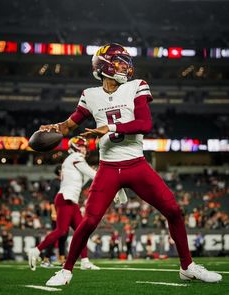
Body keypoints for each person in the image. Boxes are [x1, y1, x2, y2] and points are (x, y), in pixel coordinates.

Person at [38, 43, 222, 285]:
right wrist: (55, 128)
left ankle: (187, 266)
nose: (125, 66)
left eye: (125, 61)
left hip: (136, 165)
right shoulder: (90, 95)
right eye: (118, 62)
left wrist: (109, 127)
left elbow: (145, 124)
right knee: (90, 221)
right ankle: (66, 270)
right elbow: (69, 125)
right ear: (103, 66)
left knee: (174, 211)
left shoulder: (137, 86)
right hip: (109, 168)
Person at [28, 136, 100, 271]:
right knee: (61, 231)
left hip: (71, 200)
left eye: (84, 146)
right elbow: (93, 175)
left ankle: (85, 261)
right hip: (65, 199)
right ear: (75, 146)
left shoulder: (73, 160)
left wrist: (95, 173)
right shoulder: (74, 157)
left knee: (82, 231)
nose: (84, 149)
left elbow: (82, 181)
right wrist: (103, 174)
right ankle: (36, 251)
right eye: (82, 146)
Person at [41, 165, 68, 267]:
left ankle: (62, 259)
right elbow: (51, 198)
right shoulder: (54, 182)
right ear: (59, 171)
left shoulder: (66, 182)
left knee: (64, 236)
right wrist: (53, 211)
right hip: (57, 211)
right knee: (56, 234)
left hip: (65, 211)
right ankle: (46, 259)